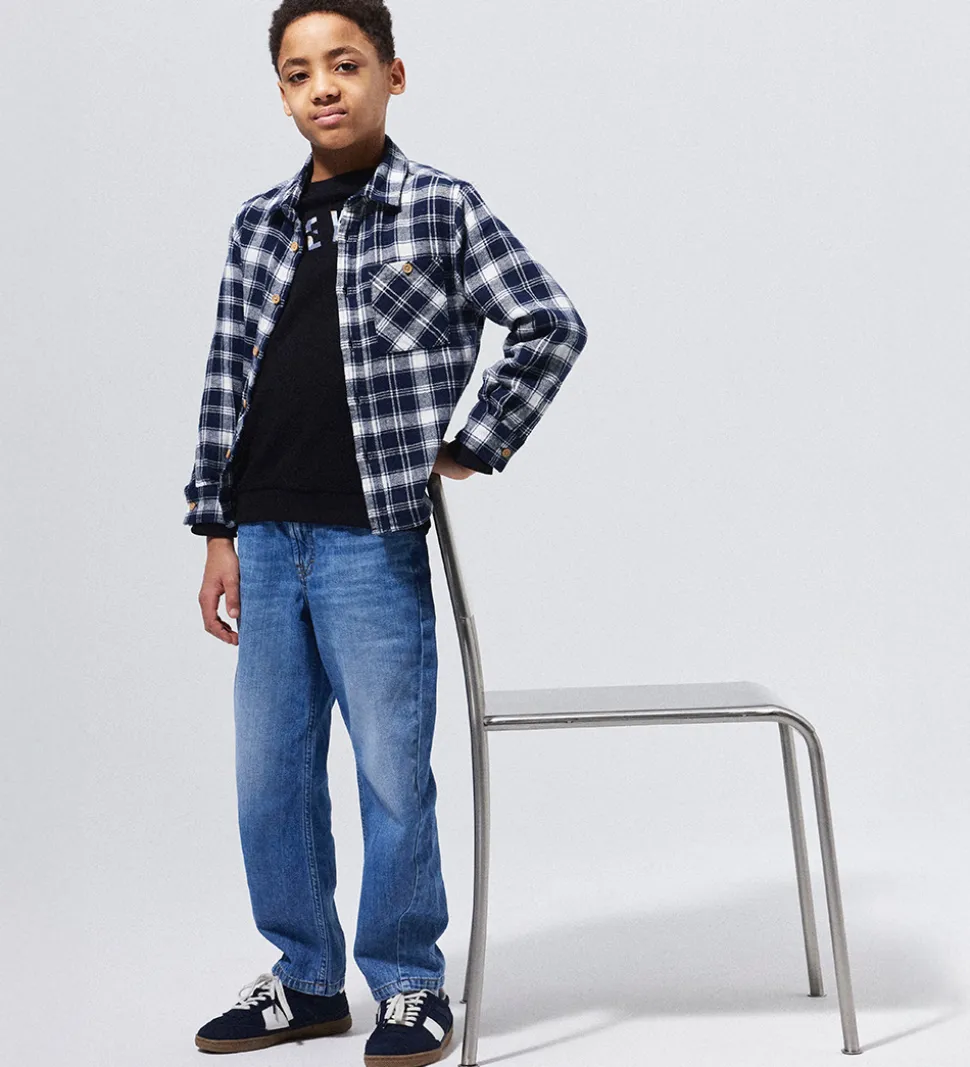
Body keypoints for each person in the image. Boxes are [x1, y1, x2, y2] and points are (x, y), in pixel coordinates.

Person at [183, 2, 588, 1063]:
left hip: (370, 537)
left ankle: (409, 981)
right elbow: (226, 378)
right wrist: (215, 525)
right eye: (298, 72)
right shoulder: (258, 224)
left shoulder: (440, 207)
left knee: (391, 773)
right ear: (281, 91)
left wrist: (477, 440)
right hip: (266, 536)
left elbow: (550, 321)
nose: (323, 87)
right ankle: (304, 979)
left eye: (346, 64)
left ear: (392, 76)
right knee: (269, 776)